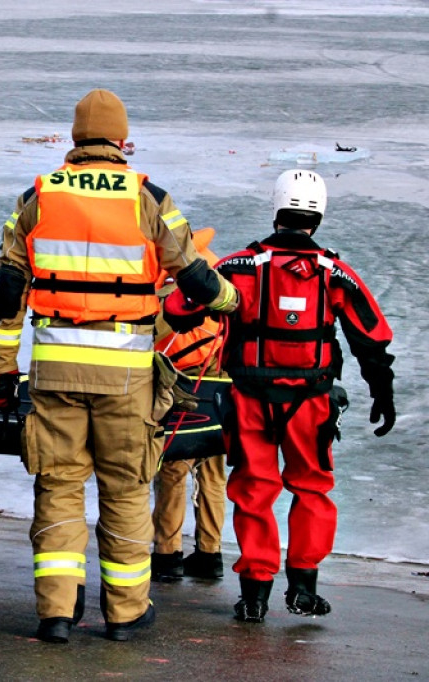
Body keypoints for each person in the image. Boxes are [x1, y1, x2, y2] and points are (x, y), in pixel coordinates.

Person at [0, 89, 238, 644]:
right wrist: (231, 303)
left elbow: (9, 291)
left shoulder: (36, 197)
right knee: (125, 490)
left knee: (59, 486)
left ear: (75, 138)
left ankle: (56, 612)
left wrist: (3, 369)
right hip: (127, 377)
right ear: (122, 140)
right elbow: (194, 276)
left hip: (54, 373)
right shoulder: (150, 200)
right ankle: (125, 614)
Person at [165, 169, 395, 623]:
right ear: (319, 215)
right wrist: (382, 392)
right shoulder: (335, 271)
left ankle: (254, 597)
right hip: (311, 402)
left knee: (254, 493)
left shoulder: (236, 267)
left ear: (276, 208)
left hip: (249, 399)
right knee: (311, 489)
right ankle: (304, 590)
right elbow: (371, 336)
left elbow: (178, 312)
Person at [151, 229, 228, 582]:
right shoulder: (218, 271)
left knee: (173, 470)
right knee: (212, 472)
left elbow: (152, 332)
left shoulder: (168, 281)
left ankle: (168, 555)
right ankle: (210, 555)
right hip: (220, 382)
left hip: (180, 385)